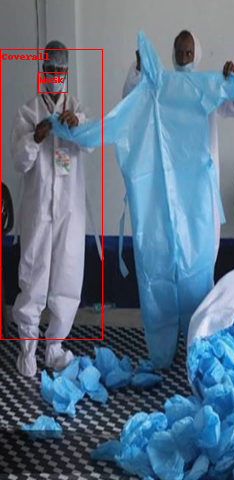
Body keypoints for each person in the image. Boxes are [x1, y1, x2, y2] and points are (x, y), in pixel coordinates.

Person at [122, 30, 234, 260]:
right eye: (180, 53)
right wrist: (138, 71)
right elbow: (130, 100)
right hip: (170, 181)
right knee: (170, 241)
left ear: (197, 55)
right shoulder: (162, 89)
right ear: (173, 54)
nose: (184, 59)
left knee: (202, 244)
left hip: (201, 184)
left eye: (189, 53)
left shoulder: (208, 89)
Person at [10, 40, 90, 377]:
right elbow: (18, 161)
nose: (54, 75)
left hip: (70, 213)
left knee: (67, 278)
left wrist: (77, 125)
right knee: (34, 276)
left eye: (60, 70)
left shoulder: (77, 110)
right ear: (42, 71)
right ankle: (27, 350)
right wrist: (36, 137)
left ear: (66, 72)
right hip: (38, 211)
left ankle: (54, 348)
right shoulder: (28, 113)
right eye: (50, 69)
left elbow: (90, 143)